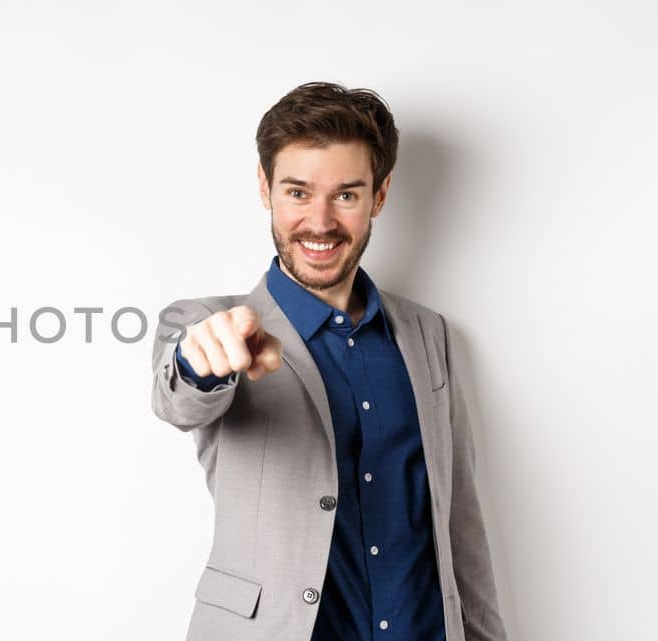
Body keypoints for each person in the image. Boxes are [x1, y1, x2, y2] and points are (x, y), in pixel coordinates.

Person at [149, 81, 508, 641]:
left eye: (345, 195)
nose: (319, 222)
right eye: (297, 192)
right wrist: (202, 361)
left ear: (379, 196)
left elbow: (459, 516)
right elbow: (179, 397)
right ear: (265, 189)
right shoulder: (207, 322)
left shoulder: (426, 333)